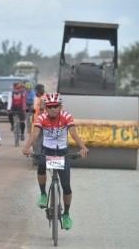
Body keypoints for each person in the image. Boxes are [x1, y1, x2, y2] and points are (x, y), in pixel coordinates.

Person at [22, 92, 89, 230]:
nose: (52, 109)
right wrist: (27, 146)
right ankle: (43, 194)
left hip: (62, 152)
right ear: (45, 107)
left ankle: (66, 215)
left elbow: (73, 132)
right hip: (48, 150)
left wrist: (83, 148)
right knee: (40, 164)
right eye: (50, 106)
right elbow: (35, 133)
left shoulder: (66, 116)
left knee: (66, 186)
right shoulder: (41, 118)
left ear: (60, 106)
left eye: (55, 106)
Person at [31, 84, 45, 165]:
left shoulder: (42, 99)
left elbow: (41, 111)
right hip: (42, 123)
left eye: (35, 91)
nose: (35, 92)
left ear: (39, 91)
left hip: (40, 124)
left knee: (36, 142)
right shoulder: (41, 98)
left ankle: (38, 161)